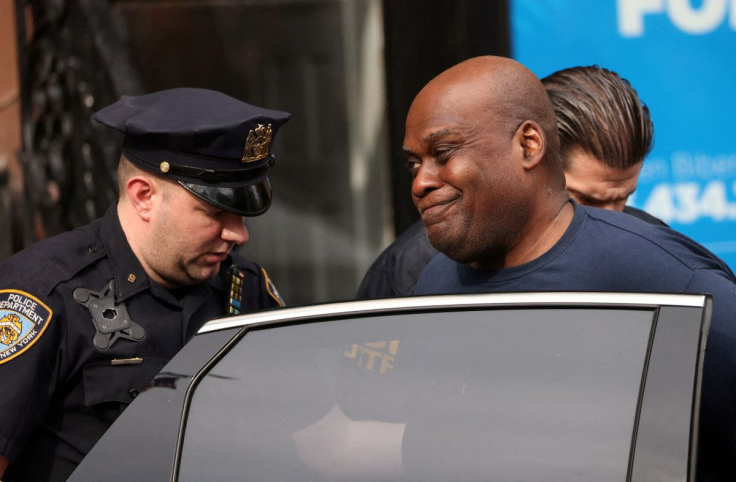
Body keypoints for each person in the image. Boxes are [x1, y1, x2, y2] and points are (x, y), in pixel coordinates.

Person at [403, 56, 736, 480]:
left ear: (528, 145)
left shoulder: (666, 281)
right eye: (415, 163)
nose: (421, 182)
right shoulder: (431, 285)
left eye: (443, 153)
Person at [0, 88, 290, 481]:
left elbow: (294, 436)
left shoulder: (245, 288)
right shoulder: (44, 295)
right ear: (143, 196)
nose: (239, 234)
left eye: (243, 214)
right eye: (217, 212)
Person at [356, 64, 667, 299]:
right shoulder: (415, 267)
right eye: (585, 199)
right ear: (530, 150)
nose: (610, 218)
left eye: (623, 198)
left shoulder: (657, 254)